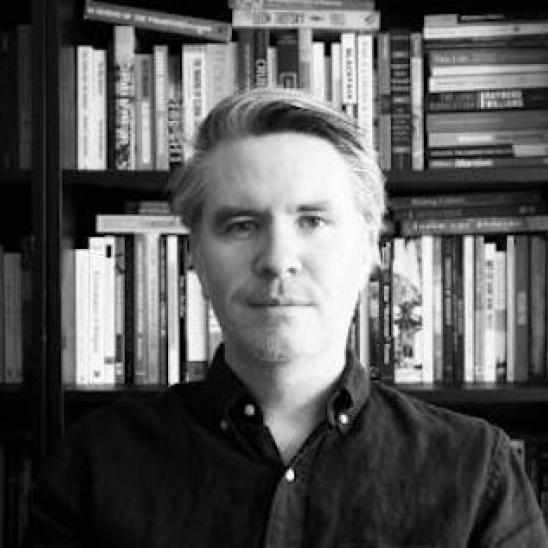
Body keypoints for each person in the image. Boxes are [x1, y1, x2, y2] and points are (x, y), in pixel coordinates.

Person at [27, 88, 547, 547]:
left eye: (312, 220)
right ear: (196, 258)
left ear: (370, 251)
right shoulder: (96, 462)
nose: (277, 258)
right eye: (241, 224)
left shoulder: (478, 470)